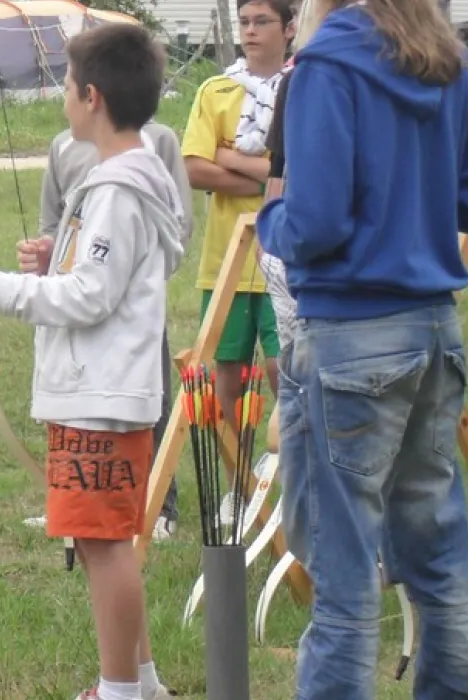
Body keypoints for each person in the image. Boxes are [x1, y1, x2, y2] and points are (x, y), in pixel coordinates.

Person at [255, 0, 468, 694]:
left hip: (352, 334)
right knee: (438, 555)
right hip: (432, 327)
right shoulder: (454, 60)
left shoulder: (328, 61)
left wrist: (273, 221)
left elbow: (318, 219)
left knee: (344, 572)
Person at [0, 23, 185, 700]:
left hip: (100, 396)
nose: (64, 101)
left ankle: (120, 690)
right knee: (101, 540)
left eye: (69, 89)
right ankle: (139, 681)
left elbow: (92, 296)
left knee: (102, 545)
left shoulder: (118, 189)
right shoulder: (129, 177)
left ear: (93, 98)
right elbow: (118, 274)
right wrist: (60, 259)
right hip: (103, 391)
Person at [25, 120, 195, 543]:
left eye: (70, 85)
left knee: (144, 402)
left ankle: (159, 505)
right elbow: (54, 226)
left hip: (126, 306)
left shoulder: (158, 141)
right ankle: (68, 500)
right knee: (71, 404)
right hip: (75, 300)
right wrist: (48, 252)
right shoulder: (63, 145)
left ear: (92, 94)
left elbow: (177, 225)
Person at [180, 0, 296, 528]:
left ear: (290, 28)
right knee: (226, 377)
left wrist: (232, 157)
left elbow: (298, 169)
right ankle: (240, 485)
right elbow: (196, 169)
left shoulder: (302, 88)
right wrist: (264, 177)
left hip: (284, 255)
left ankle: (291, 482)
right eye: (244, 23)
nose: (250, 32)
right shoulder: (216, 91)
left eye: (262, 22)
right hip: (226, 258)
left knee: (282, 371)